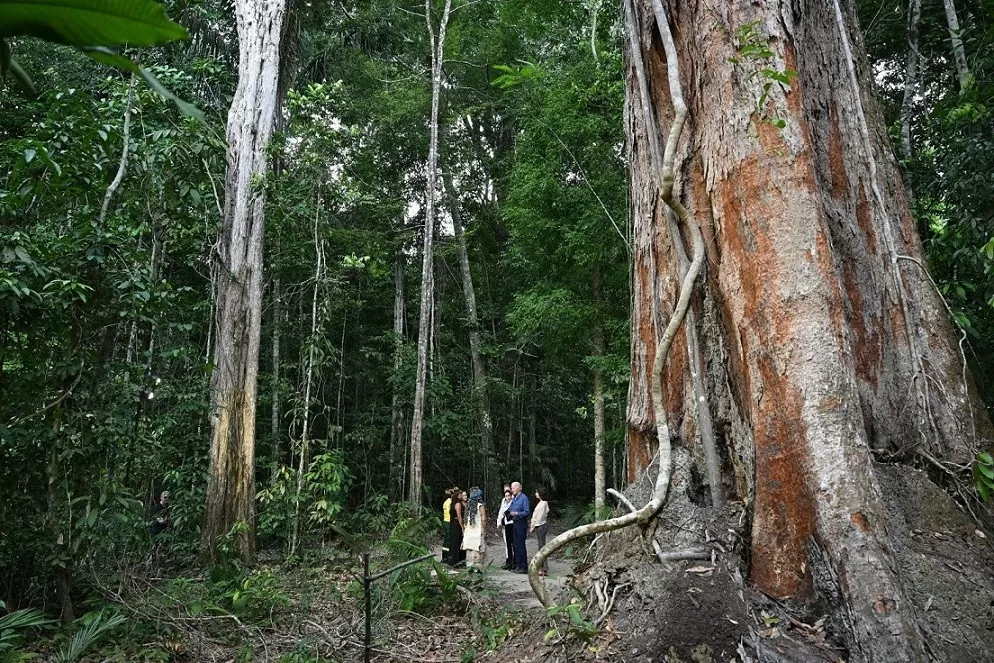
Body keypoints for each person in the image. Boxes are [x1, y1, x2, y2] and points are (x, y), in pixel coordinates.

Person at [461, 487, 487, 571]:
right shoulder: (480, 506)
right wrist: (485, 528)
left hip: (469, 531)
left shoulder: (468, 506)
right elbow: (483, 518)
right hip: (478, 531)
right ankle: (478, 568)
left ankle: (470, 567)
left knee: (470, 549)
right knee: (478, 549)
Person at [507, 481, 530, 573]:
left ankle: (523, 566)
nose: (512, 490)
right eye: (511, 488)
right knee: (515, 545)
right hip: (515, 523)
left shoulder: (524, 498)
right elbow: (511, 508)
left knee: (521, 545)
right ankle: (518, 565)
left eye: (513, 488)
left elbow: (527, 512)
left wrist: (517, 513)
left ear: (519, 488)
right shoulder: (514, 498)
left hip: (521, 523)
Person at [529, 487, 550, 576]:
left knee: (542, 547)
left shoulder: (543, 504)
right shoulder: (541, 503)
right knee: (541, 546)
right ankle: (543, 567)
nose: (535, 494)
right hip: (540, 526)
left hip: (541, 526)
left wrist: (533, 527)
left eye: (537, 492)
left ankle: (544, 568)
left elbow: (539, 517)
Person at [495, 486, 515, 570]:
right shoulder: (503, 500)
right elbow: (500, 512)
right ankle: (508, 560)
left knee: (513, 543)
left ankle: (514, 561)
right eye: (504, 491)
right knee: (507, 544)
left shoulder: (514, 500)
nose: (507, 495)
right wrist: (498, 523)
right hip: (505, 524)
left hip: (512, 523)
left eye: (507, 491)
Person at [448, 489, 468, 566]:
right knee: (457, 542)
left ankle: (453, 560)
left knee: (454, 542)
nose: (461, 496)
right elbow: (459, 516)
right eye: (460, 495)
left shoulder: (453, 504)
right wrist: (462, 527)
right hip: (457, 524)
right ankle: (457, 560)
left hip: (453, 524)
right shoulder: (458, 504)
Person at [441, 487, 456, 563]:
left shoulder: (447, 501)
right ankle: (445, 556)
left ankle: (446, 555)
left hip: (447, 521)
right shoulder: (450, 502)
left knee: (449, 538)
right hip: (448, 521)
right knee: (448, 538)